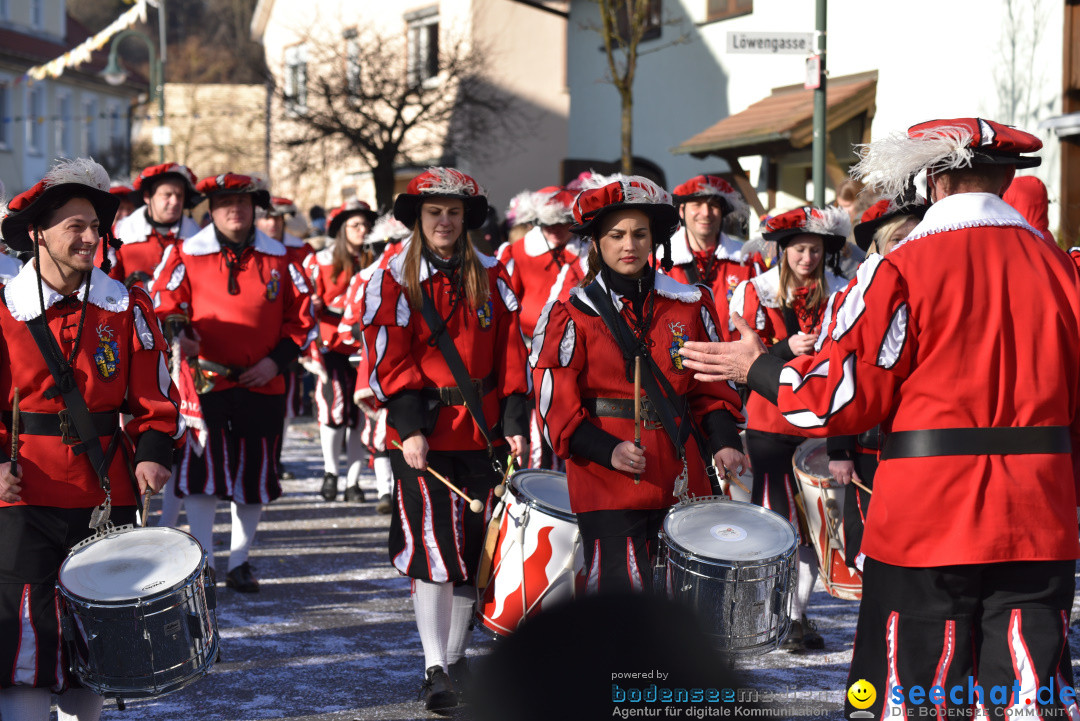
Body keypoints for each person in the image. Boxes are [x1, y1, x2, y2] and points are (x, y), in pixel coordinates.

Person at [679, 118, 1080, 718]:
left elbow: (837, 398)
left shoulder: (900, 268)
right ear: (1004, 180)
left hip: (927, 519)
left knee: (911, 694)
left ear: (935, 184)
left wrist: (756, 368)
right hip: (1041, 518)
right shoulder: (1063, 269)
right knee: (1026, 696)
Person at [0, 158, 183, 721]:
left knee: (95, 642)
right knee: (23, 641)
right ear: (38, 234)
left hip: (106, 493)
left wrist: (153, 453)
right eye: (73, 226)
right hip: (22, 494)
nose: (88, 238)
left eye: (94, 226)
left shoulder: (127, 307)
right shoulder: (3, 309)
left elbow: (156, 398)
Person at [359, 167, 529, 711]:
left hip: (481, 435)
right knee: (433, 550)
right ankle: (434, 665)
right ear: (418, 219)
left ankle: (455, 659)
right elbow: (390, 359)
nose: (445, 222)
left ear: (467, 219)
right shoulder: (391, 278)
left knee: (470, 554)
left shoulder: (494, 276)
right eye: (435, 212)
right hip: (424, 438)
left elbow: (512, 355)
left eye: (454, 212)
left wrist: (515, 424)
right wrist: (409, 428)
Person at [530, 174, 747, 595]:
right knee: (621, 600)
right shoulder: (570, 312)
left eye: (639, 234)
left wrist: (723, 441)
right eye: (616, 235)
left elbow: (710, 387)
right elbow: (553, 404)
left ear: (654, 241)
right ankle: (622, 667)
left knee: (679, 604)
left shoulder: (689, 303)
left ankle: (662, 667)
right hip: (606, 473)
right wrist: (606, 449)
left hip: (681, 471)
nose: (628, 245)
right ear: (596, 242)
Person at [150, 172, 314, 594]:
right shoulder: (187, 253)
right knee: (203, 474)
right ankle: (203, 562)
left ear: (255, 208)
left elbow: (303, 320)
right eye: (225, 203)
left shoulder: (282, 259)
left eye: (243, 203)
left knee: (254, 477)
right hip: (207, 384)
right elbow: (164, 300)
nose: (235, 210)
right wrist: (177, 331)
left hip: (264, 384)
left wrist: (276, 363)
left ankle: (240, 560)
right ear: (211, 209)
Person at [728, 204, 850, 652]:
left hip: (819, 428)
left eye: (815, 249)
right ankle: (779, 616)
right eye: (799, 249)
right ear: (782, 251)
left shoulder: (841, 291)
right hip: (770, 426)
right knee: (779, 527)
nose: (807, 258)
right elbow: (739, 362)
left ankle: (797, 614)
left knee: (818, 529)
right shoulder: (754, 292)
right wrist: (784, 347)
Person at [826, 198, 927, 571]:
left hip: (922, 444)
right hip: (869, 445)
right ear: (879, 248)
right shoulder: (853, 297)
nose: (908, 246)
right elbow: (839, 372)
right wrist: (839, 449)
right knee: (870, 545)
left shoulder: (937, 289)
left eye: (916, 237)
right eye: (898, 239)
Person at [496, 185, 590, 470]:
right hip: (528, 348)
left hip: (576, 350)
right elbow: (505, 303)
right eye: (549, 223)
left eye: (562, 223)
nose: (556, 229)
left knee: (569, 414)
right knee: (535, 420)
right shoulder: (517, 252)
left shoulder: (586, 250)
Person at [304, 199, 378, 503]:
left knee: (361, 413)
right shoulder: (319, 260)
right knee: (334, 410)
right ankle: (330, 473)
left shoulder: (375, 259)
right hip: (330, 344)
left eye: (366, 225)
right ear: (341, 229)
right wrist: (315, 305)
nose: (362, 230)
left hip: (365, 346)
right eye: (355, 225)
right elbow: (305, 303)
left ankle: (353, 481)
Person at [255, 195, 314, 479]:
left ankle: (275, 459)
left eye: (277, 218)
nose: (272, 224)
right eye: (267, 217)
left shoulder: (300, 251)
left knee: (285, 406)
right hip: (254, 340)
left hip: (286, 343)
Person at [659, 174, 764, 332]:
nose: (706, 213)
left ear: (722, 212)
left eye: (713, 205)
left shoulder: (748, 259)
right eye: (697, 204)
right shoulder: (659, 262)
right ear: (682, 211)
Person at [111, 163, 201, 290]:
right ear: (147, 197)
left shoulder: (199, 240)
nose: (175, 202)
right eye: (167, 195)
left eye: (179, 196)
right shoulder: (118, 235)